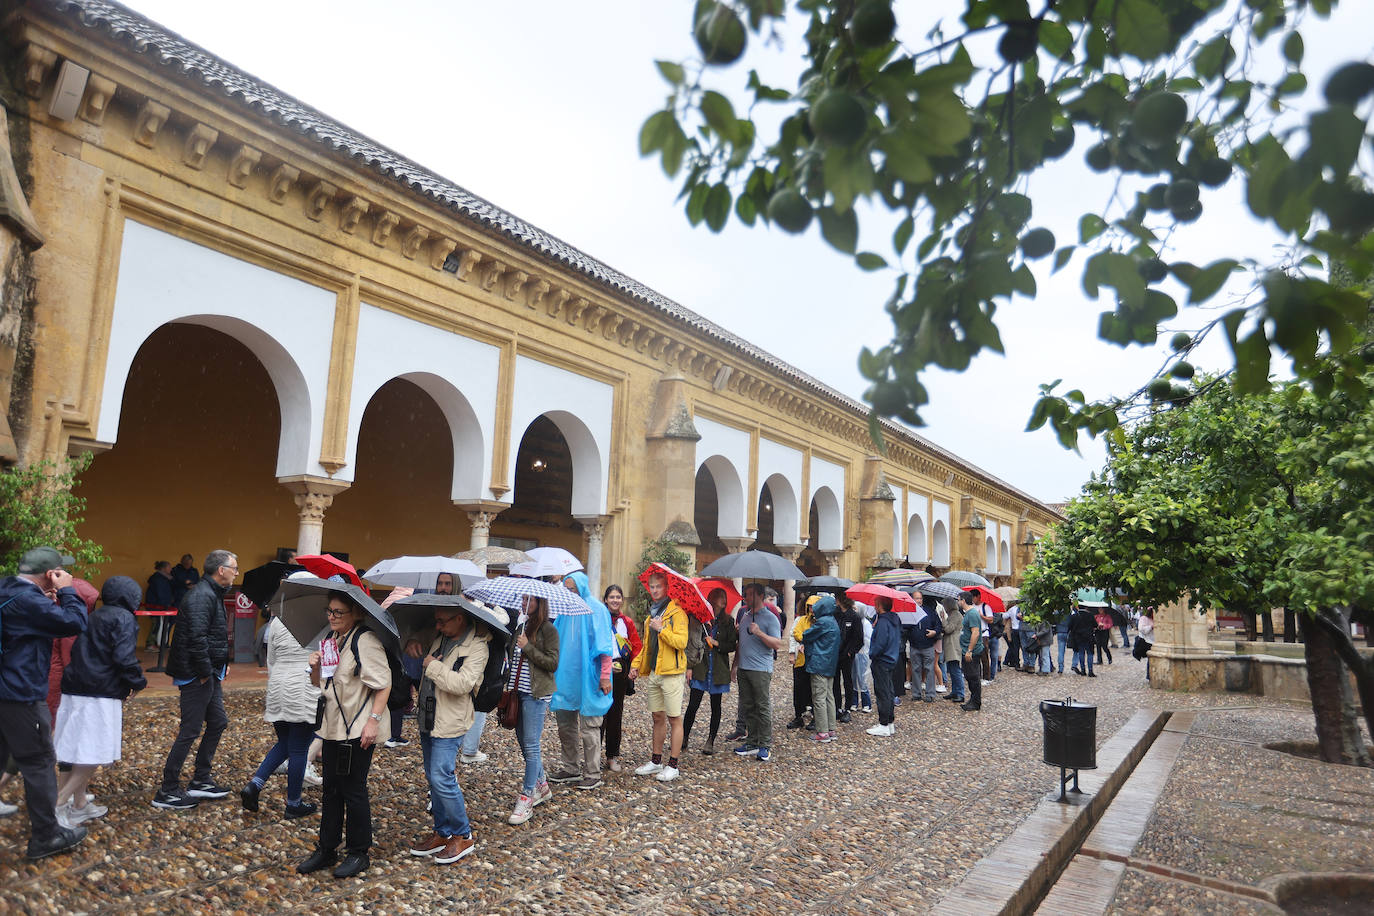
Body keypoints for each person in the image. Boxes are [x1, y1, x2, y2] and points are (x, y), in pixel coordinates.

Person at [0, 547, 90, 859]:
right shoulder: (30, 601)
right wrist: (67, 592)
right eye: (59, 572)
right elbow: (74, 623)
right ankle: (46, 836)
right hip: (21, 694)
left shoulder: (7, 588)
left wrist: (48, 600)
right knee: (38, 762)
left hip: (4, 692)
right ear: (49, 574)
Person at [297, 590, 391, 878]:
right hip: (335, 725)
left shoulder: (365, 641)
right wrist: (313, 667)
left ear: (355, 614)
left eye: (339, 612)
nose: (332, 616)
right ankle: (327, 848)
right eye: (330, 611)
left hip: (359, 727)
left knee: (353, 789)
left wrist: (372, 722)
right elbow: (322, 684)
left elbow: (383, 684)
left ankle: (359, 852)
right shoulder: (330, 641)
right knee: (331, 789)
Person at [52, 575, 146, 826]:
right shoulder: (124, 618)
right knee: (93, 754)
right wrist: (137, 682)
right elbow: (124, 657)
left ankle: (79, 803)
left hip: (75, 688)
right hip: (99, 693)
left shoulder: (94, 615)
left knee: (75, 749)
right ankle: (58, 804)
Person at [408, 599, 490, 866]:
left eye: (443, 620)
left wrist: (431, 665)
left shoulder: (476, 647)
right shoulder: (439, 637)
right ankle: (442, 833)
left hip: (450, 720)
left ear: (460, 619)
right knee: (433, 778)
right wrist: (414, 645)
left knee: (441, 776)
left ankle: (462, 833)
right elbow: (420, 645)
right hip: (429, 717)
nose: (438, 625)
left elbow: (462, 683)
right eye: (437, 620)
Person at [153, 549, 237, 810]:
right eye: (234, 568)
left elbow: (208, 636)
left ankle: (201, 779)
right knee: (190, 730)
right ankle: (167, 790)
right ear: (220, 570)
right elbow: (196, 638)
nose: (236, 572)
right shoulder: (202, 595)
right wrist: (203, 672)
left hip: (208, 671)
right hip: (197, 673)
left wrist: (218, 665)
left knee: (218, 722)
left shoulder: (211, 593)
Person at [241, 611, 321, 819]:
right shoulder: (320, 621)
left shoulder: (276, 622)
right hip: (304, 685)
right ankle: (294, 803)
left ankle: (255, 784)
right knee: (299, 748)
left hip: (278, 684)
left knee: (285, 741)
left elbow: (271, 659)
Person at [550, 572, 614, 790]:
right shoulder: (564, 610)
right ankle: (570, 767)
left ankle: (592, 772)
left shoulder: (596, 609)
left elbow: (605, 646)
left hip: (590, 677)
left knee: (590, 727)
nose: (569, 592)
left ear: (582, 587)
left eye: (572, 588)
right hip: (566, 676)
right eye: (566, 588)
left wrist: (605, 675)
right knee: (565, 724)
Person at [630, 571, 689, 782]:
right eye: (652, 586)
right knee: (657, 717)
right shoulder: (650, 616)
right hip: (655, 672)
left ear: (666, 588)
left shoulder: (677, 614)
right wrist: (636, 666)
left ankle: (673, 765)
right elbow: (647, 647)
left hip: (672, 673)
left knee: (674, 718)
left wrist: (662, 629)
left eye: (658, 586)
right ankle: (656, 761)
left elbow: (681, 642)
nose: (654, 590)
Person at [507, 595, 559, 826]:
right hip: (518, 692)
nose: (525, 603)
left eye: (530, 600)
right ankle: (542, 785)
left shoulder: (548, 629)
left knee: (531, 744)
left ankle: (527, 797)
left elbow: (552, 663)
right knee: (524, 743)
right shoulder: (521, 625)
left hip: (536, 694)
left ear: (540, 603)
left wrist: (527, 647)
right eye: (523, 599)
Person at [682, 587, 737, 754]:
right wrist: (689, 667)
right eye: (720, 597)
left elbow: (731, 645)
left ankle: (710, 741)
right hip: (701, 666)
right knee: (693, 704)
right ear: (712, 599)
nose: (724, 601)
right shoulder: (700, 618)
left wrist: (717, 643)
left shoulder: (728, 621)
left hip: (718, 669)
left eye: (724, 598)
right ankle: (683, 737)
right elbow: (691, 643)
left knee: (716, 706)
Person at [733, 582, 783, 761]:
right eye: (745, 594)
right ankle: (752, 742)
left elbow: (777, 644)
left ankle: (765, 745)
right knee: (748, 706)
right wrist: (735, 666)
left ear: (761, 596)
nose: (746, 597)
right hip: (744, 668)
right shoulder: (745, 615)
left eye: (750, 594)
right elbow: (741, 644)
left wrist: (759, 633)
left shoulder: (770, 618)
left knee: (762, 707)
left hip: (761, 669)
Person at [600, 584, 640, 772]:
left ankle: (612, 756)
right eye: (612, 597)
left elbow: (637, 646)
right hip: (601, 669)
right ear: (606, 599)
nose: (615, 600)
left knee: (616, 713)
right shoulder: (599, 620)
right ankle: (592, 755)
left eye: (618, 597)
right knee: (598, 713)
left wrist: (634, 667)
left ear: (622, 600)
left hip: (620, 670)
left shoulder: (627, 623)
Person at [801, 594, 841, 744]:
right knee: (829, 696)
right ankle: (831, 729)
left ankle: (822, 732)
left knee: (819, 697)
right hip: (830, 663)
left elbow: (806, 635)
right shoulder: (833, 621)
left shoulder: (823, 622)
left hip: (819, 663)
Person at [865, 596, 901, 736]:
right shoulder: (894, 620)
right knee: (889, 691)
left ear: (880, 605)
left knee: (882, 693)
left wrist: (872, 654)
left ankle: (884, 724)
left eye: (875, 604)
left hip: (882, 660)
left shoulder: (883, 622)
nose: (874, 606)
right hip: (891, 659)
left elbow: (880, 644)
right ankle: (889, 722)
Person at [785, 598, 814, 731]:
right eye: (810, 606)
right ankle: (798, 716)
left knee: (813, 688)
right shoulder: (800, 620)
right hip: (800, 659)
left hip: (814, 660)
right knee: (798, 688)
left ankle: (815, 715)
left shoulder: (820, 622)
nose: (812, 609)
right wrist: (792, 652)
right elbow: (793, 635)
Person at [908, 596, 941, 703]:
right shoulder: (909, 612)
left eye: (920, 598)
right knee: (915, 670)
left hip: (928, 645)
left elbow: (938, 625)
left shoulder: (929, 611)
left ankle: (930, 694)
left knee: (930, 669)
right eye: (916, 598)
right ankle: (916, 694)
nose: (919, 600)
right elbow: (905, 627)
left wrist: (934, 632)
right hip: (914, 645)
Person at [833, 595, 862, 719]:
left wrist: (851, 651)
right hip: (835, 653)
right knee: (835, 681)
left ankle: (848, 708)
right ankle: (837, 707)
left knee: (848, 681)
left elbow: (859, 637)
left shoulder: (854, 617)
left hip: (847, 654)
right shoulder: (836, 614)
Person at [958, 591, 985, 712]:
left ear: (963, 600)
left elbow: (976, 632)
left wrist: (969, 650)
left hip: (971, 652)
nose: (958, 602)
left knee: (973, 676)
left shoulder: (972, 613)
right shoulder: (968, 613)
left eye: (959, 600)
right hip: (966, 650)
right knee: (969, 676)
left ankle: (975, 702)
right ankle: (973, 699)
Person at [940, 597, 966, 704]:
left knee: (955, 670)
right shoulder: (953, 614)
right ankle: (955, 691)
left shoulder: (955, 615)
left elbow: (948, 629)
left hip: (953, 645)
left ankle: (960, 693)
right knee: (952, 669)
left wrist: (943, 619)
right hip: (950, 645)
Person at [145, 561, 174, 649]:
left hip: (158, 605)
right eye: (169, 567)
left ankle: (156, 643)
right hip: (156, 606)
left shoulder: (163, 578)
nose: (171, 569)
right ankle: (150, 644)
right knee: (156, 624)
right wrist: (166, 604)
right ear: (163, 568)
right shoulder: (159, 579)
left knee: (158, 624)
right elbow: (161, 594)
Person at [1069, 603, 1097, 677]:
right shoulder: (1090, 615)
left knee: (1081, 653)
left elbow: (1070, 627)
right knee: (1090, 653)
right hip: (1088, 637)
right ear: (1086, 607)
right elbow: (1095, 625)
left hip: (1078, 637)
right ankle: (1090, 671)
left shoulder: (1074, 616)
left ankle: (1083, 670)